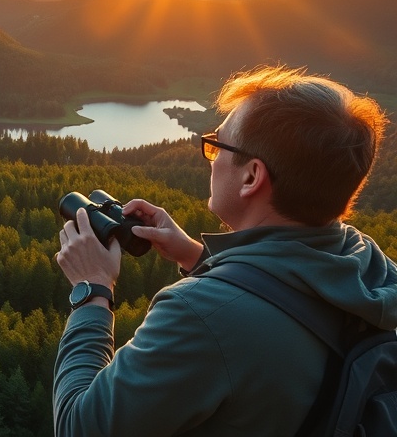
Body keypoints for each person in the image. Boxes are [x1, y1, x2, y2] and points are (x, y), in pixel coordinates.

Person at [52, 65, 397, 436]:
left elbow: (79, 426)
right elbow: (287, 304)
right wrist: (194, 255)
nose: (211, 158)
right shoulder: (367, 263)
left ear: (251, 177)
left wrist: (92, 289)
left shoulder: (200, 315)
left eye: (217, 145)